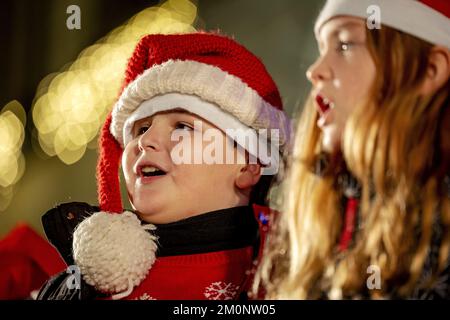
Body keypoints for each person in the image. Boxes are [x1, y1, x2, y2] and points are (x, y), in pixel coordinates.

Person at [37, 32, 291, 300]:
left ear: (248, 165)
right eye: (140, 128)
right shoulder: (84, 285)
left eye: (182, 126)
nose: (145, 140)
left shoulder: (292, 274)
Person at [254, 0, 450, 299]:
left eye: (344, 45)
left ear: (429, 69)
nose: (315, 71)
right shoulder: (324, 217)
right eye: (322, 49)